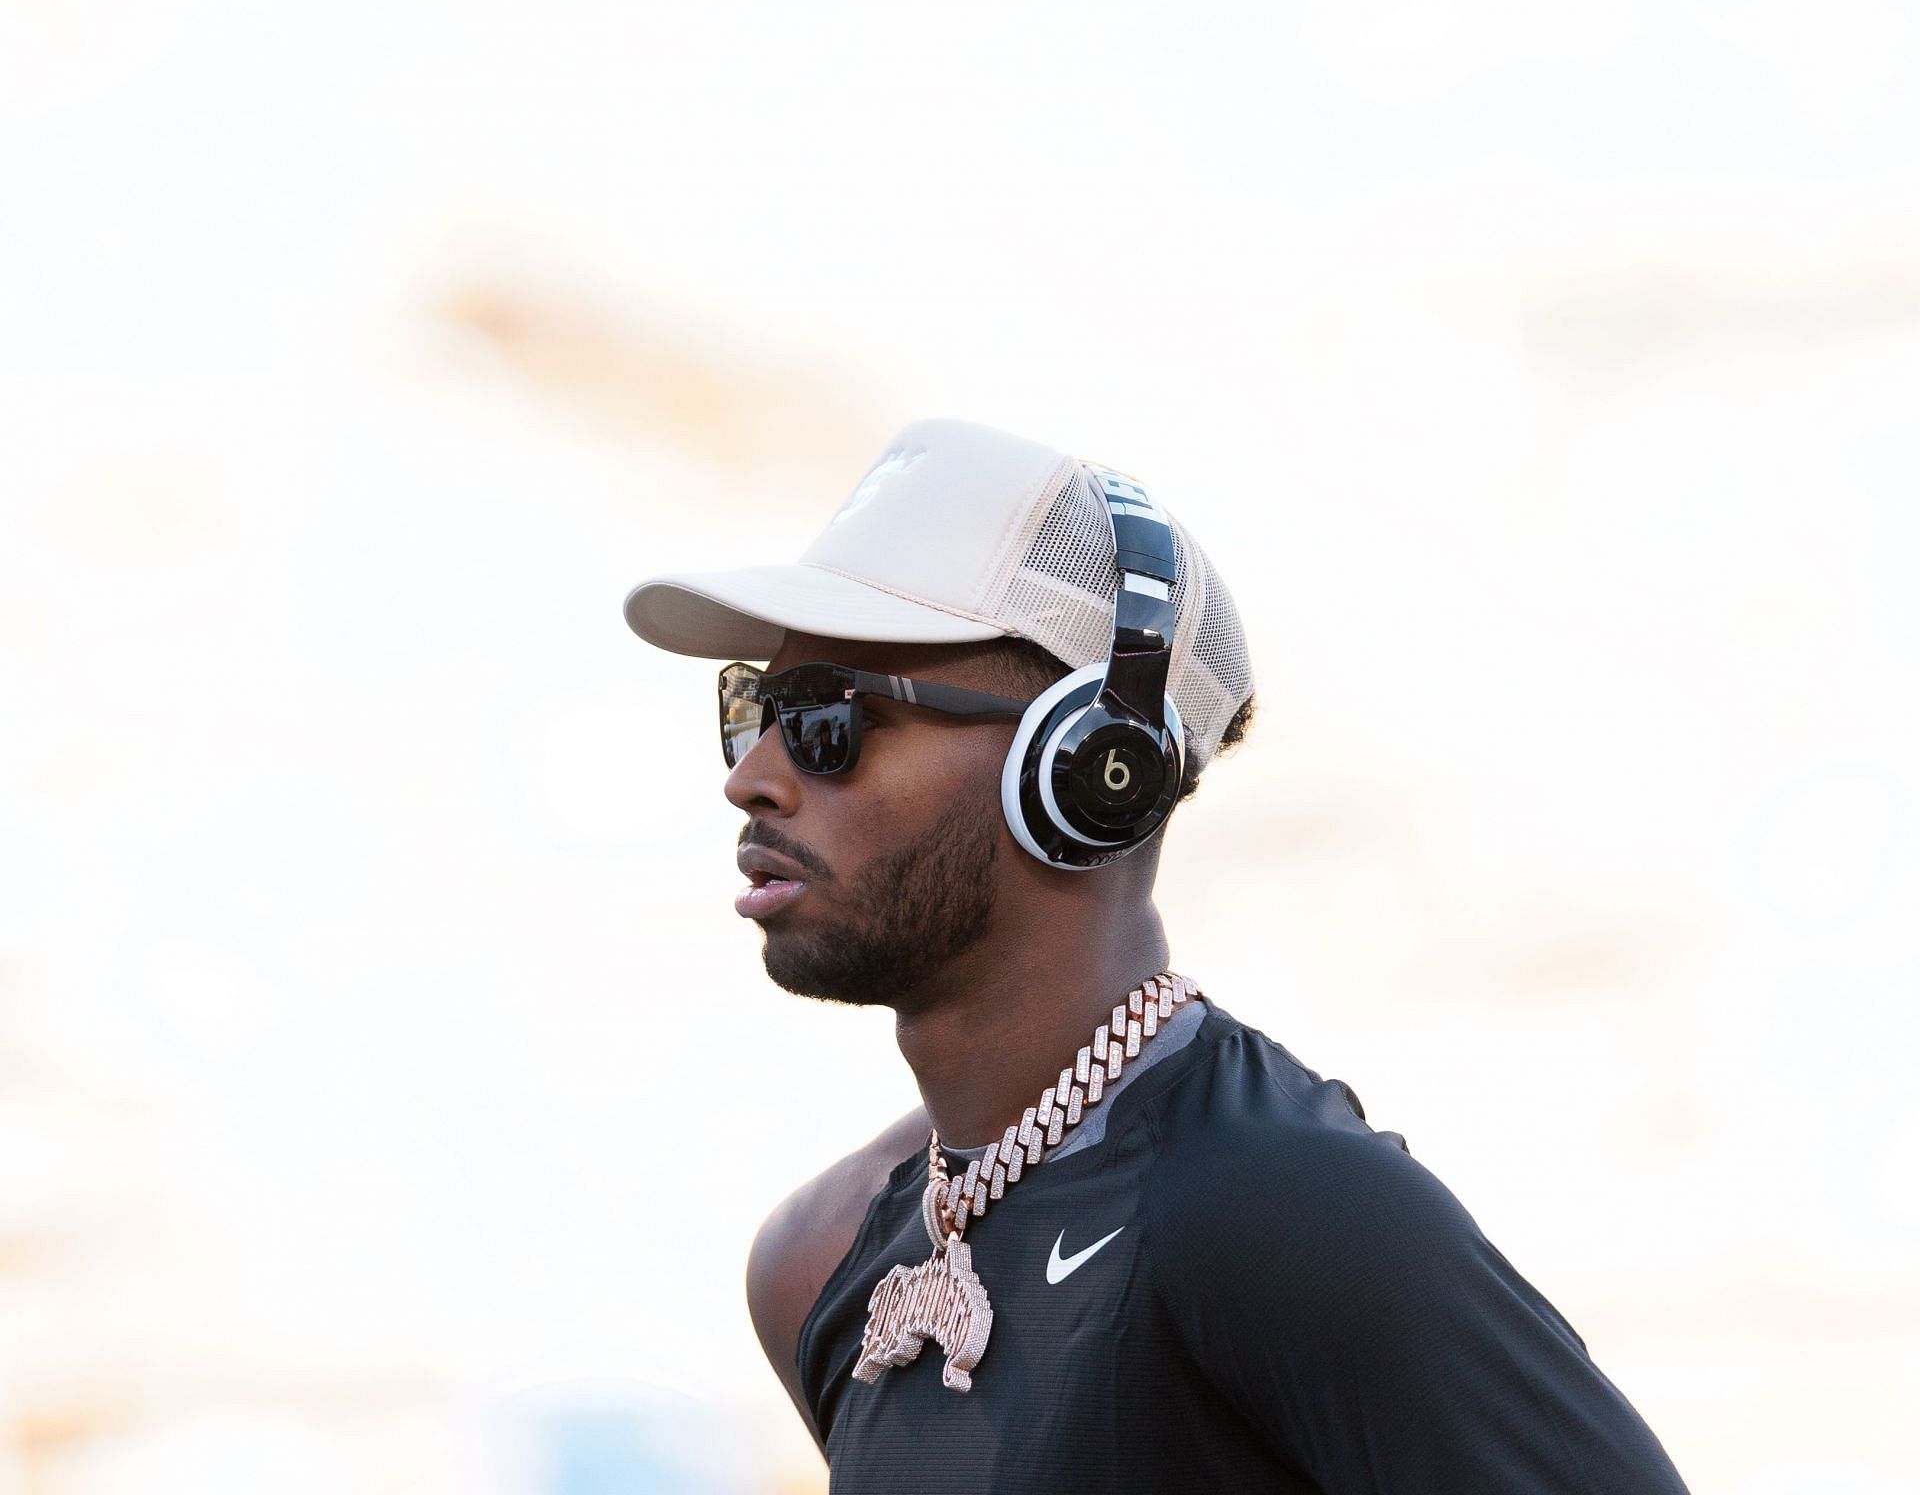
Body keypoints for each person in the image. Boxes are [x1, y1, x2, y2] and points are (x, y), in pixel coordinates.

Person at [624, 416, 1691, 1493]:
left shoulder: (1287, 1211)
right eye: (753, 708)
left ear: (1088, 766)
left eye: (826, 720)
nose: (751, 775)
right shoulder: (821, 1262)